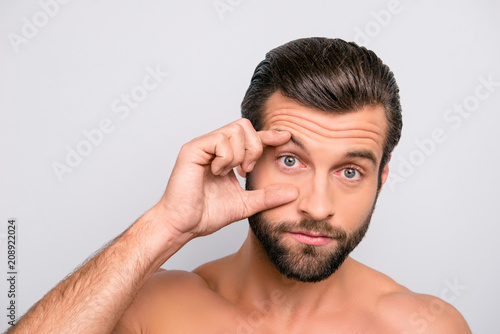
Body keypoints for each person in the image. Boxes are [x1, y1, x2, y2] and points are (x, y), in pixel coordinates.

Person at [9, 37, 471, 333]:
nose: (317, 206)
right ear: (248, 161)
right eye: (290, 160)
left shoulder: (422, 326)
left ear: (380, 179)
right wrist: (166, 226)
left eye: (350, 171)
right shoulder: (151, 309)